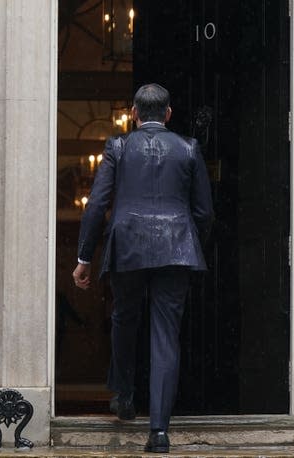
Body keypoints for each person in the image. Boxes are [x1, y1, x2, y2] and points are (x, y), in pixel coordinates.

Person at [72, 83, 214, 453]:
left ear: (134, 114)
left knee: (124, 318)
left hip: (128, 248)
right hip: (177, 248)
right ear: (168, 114)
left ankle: (122, 396)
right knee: (165, 334)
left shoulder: (118, 146)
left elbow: (97, 204)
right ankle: (159, 432)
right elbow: (204, 212)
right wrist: (189, 242)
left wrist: (84, 256)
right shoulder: (188, 148)